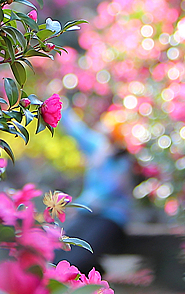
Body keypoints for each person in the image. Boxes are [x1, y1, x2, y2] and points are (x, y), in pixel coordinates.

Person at [53, 109, 142, 275]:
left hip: (111, 217)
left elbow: (111, 187)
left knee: (80, 256)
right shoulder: (97, 146)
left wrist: (81, 204)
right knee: (59, 250)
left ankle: (92, 277)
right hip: (87, 214)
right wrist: (61, 107)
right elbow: (76, 131)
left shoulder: (124, 160)